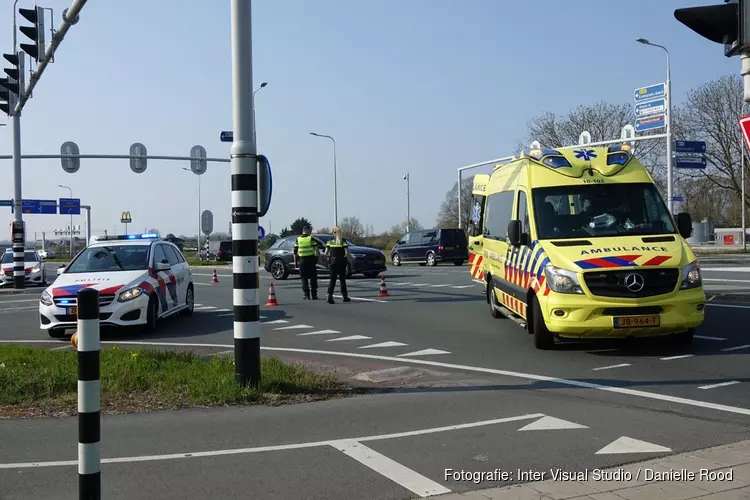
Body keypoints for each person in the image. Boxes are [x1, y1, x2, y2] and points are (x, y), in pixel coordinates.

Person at [293, 224, 321, 300]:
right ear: (307, 230)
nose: (311, 232)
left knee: (304, 278)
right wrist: (318, 259)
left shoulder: (298, 239)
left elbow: (295, 252)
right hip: (311, 260)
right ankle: (314, 295)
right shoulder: (311, 239)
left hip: (302, 261)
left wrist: (295, 262)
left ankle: (306, 295)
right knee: (313, 278)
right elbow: (317, 251)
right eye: (310, 230)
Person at [324, 226, 350, 304]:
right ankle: (345, 296)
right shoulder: (343, 241)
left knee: (332, 280)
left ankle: (330, 296)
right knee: (342, 280)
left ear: (333, 233)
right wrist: (344, 257)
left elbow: (326, 253)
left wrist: (330, 257)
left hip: (333, 262)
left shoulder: (330, 242)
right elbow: (347, 253)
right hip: (341, 262)